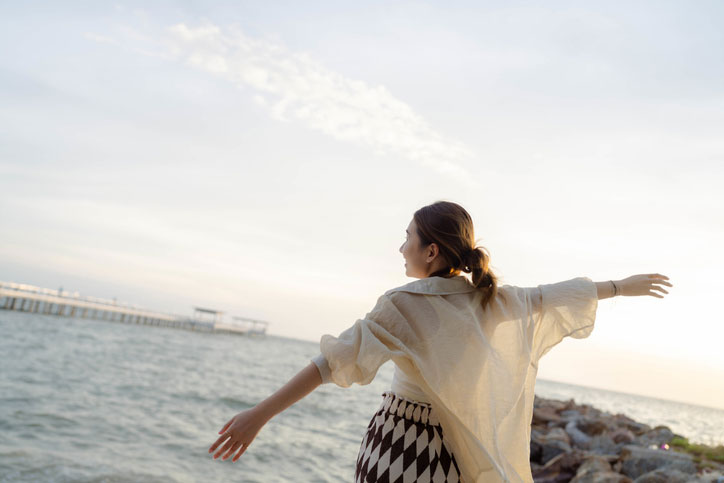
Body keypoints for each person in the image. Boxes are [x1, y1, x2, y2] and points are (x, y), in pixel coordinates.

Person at [207, 200, 672, 482]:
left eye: (407, 237)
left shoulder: (403, 303)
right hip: (451, 458)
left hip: (396, 446)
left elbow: (328, 364)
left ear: (431, 250)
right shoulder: (494, 301)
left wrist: (257, 416)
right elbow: (556, 296)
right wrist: (620, 286)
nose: (401, 247)